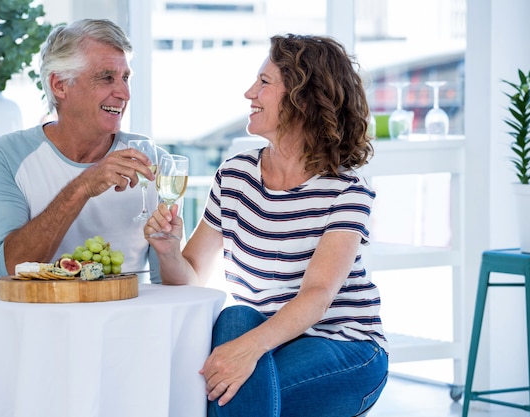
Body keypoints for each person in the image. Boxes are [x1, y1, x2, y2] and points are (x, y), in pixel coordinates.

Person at [145, 34, 388, 417]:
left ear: (303, 98)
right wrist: (168, 250)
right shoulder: (236, 175)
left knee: (218, 391)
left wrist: (247, 349)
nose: (248, 93)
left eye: (264, 82)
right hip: (271, 340)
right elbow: (191, 278)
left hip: (346, 346)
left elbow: (318, 295)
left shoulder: (346, 190)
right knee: (235, 317)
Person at [0, 19, 162, 283]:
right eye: (106, 78)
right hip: (46, 319)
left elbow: (166, 285)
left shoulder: (149, 158)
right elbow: (6, 271)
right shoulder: (8, 155)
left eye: (125, 78)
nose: (124, 93)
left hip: (129, 317)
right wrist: (83, 187)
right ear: (60, 85)